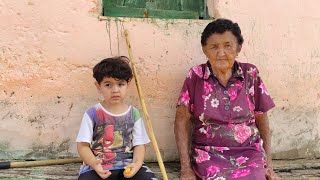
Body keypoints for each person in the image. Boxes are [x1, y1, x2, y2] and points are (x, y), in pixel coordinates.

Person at [174, 18, 279, 180]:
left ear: (238, 48)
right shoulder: (195, 76)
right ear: (204, 50)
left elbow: (262, 118)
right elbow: (181, 121)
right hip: (208, 154)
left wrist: (268, 166)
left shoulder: (250, 73)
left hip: (249, 152)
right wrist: (186, 169)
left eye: (227, 46)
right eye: (214, 47)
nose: (221, 53)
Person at [76, 56, 157, 180]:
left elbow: (139, 145)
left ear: (127, 84)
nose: (115, 90)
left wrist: (137, 164)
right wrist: (94, 163)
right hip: (98, 167)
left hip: (128, 166)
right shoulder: (92, 113)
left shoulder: (134, 114)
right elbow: (83, 146)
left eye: (120, 84)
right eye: (108, 85)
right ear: (98, 86)